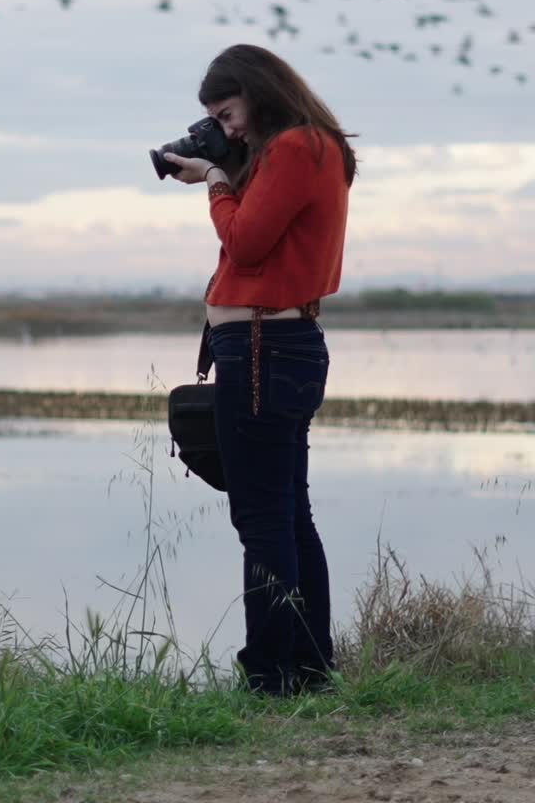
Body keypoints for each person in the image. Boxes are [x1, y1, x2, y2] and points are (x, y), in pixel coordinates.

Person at [163, 44, 357, 698]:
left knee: (264, 519)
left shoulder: (299, 148)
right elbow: (264, 234)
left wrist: (217, 183)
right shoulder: (309, 149)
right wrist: (226, 171)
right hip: (277, 347)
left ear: (256, 89)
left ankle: (273, 678)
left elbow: (245, 241)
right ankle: (308, 669)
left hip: (263, 351)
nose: (228, 127)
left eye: (228, 111)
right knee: (288, 515)